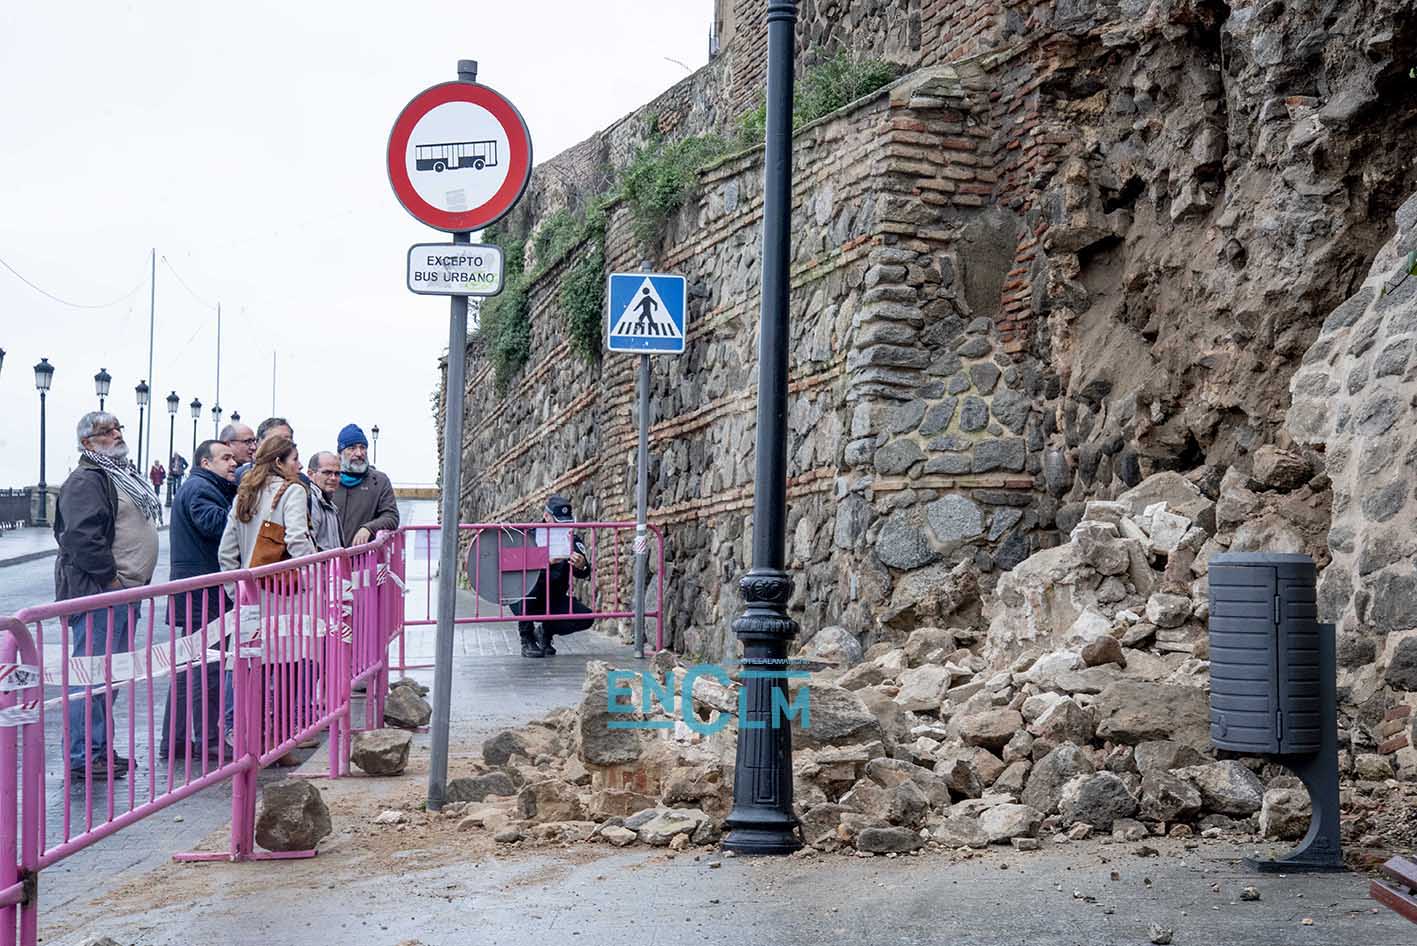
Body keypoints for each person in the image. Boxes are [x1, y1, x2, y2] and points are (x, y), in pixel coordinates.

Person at [54, 412, 162, 779]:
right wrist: (110, 580)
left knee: (109, 677)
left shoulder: (119, 476)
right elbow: (81, 537)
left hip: (122, 594)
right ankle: (84, 755)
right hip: (100, 595)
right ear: (87, 443)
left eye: (118, 428)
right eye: (105, 431)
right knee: (92, 676)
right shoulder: (87, 480)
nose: (116, 434)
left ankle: (99, 749)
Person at [162, 439, 238, 760]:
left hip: (197, 593)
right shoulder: (201, 489)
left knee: (190, 667)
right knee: (206, 668)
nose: (233, 463)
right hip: (202, 594)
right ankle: (207, 739)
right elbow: (214, 525)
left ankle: (177, 742)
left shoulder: (203, 486)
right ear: (206, 462)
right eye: (226, 458)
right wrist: (241, 508)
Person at [511, 494, 593, 658]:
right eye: (558, 521)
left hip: (554, 598)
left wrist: (581, 564)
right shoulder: (530, 536)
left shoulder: (570, 538)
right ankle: (526, 639)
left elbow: (584, 573)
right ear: (546, 516)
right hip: (527, 597)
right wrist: (543, 561)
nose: (562, 526)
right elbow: (515, 566)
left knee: (585, 617)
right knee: (529, 586)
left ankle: (545, 632)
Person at [218, 436, 314, 572]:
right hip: (287, 589)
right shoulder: (293, 491)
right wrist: (313, 582)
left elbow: (226, 552)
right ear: (279, 462)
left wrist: (236, 592)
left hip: (250, 588)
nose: (300, 465)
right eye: (295, 459)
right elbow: (297, 540)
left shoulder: (243, 495)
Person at [331, 424, 399, 546]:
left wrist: (368, 528)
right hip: (330, 561)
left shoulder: (379, 481)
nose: (359, 453)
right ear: (339, 454)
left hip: (365, 560)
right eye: (351, 448)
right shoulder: (330, 481)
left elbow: (391, 516)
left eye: (362, 448)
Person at [232, 417, 293, 486]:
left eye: (288, 439)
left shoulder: (300, 479)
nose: (283, 444)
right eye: (276, 439)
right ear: (258, 442)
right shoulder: (239, 476)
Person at [305, 451, 343, 552]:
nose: (333, 478)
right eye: (327, 473)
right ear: (310, 474)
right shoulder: (311, 501)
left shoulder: (329, 504)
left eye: (337, 473)